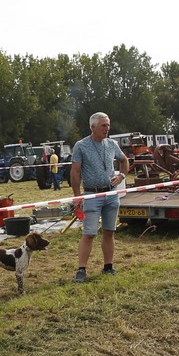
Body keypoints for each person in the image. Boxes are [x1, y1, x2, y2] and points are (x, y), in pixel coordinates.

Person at [69, 111, 131, 283]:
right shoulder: (81, 145)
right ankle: (81, 270)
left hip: (111, 194)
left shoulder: (112, 144)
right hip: (91, 195)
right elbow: (75, 172)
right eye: (104, 125)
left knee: (109, 232)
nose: (107, 128)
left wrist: (121, 176)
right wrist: (77, 196)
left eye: (108, 125)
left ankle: (108, 267)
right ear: (93, 127)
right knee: (89, 233)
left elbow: (124, 160)